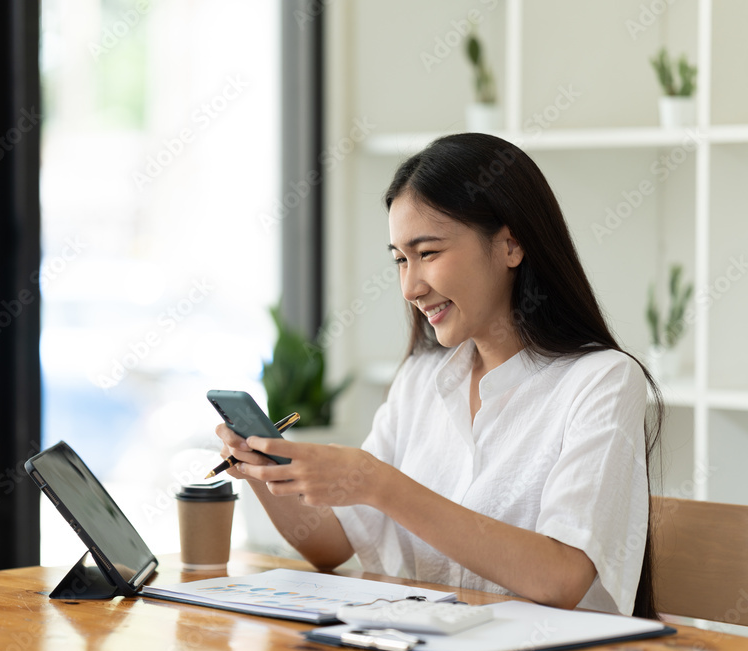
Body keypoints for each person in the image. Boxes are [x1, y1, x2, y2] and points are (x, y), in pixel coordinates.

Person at [216, 133, 661, 618]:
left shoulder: (602, 381)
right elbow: (331, 544)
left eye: (427, 253)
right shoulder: (420, 379)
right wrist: (261, 469)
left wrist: (379, 483)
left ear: (511, 244)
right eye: (400, 260)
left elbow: (562, 579)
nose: (410, 286)